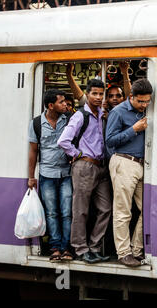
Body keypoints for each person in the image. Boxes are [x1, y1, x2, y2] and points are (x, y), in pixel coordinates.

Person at [57, 79, 112, 264]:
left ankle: (94, 247)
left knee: (105, 208)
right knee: (81, 210)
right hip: (85, 166)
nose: (98, 97)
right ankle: (81, 249)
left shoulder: (102, 113)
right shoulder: (80, 115)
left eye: (100, 94)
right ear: (87, 94)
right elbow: (63, 141)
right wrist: (77, 154)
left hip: (101, 166)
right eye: (94, 93)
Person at [105, 79, 152, 267]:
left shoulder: (145, 109)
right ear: (130, 97)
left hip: (141, 164)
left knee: (147, 209)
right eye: (141, 101)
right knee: (123, 212)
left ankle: (137, 249)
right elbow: (109, 141)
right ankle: (124, 253)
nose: (144, 105)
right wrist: (133, 130)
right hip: (123, 162)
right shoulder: (118, 112)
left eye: (147, 101)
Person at [27, 89, 73, 262]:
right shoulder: (37, 123)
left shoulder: (68, 119)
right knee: (52, 212)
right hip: (46, 174)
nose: (65, 105)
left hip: (66, 173)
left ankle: (66, 247)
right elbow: (33, 151)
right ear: (51, 105)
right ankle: (55, 247)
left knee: (67, 212)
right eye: (61, 102)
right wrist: (31, 177)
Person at [66, 61, 131, 108]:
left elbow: (129, 94)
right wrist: (69, 75)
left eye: (118, 96)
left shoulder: (126, 108)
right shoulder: (99, 108)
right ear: (106, 98)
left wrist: (125, 73)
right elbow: (80, 97)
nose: (114, 99)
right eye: (111, 96)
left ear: (123, 98)